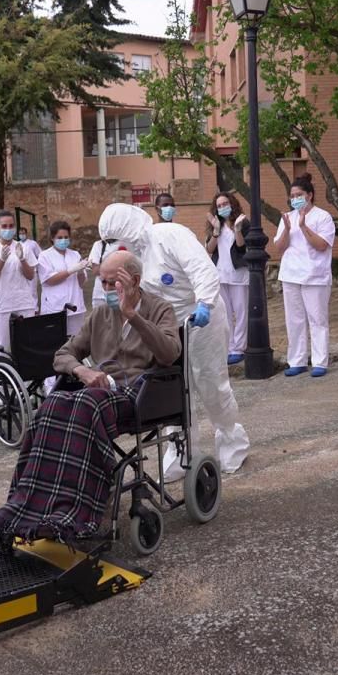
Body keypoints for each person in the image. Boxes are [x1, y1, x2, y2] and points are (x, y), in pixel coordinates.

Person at [0, 251, 180, 542]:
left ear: (134, 281)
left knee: (84, 404)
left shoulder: (160, 309)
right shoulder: (101, 314)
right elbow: (63, 355)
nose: (106, 289)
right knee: (53, 405)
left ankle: (76, 512)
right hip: (97, 393)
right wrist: (82, 371)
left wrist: (133, 315)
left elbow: (170, 354)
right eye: (103, 283)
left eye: (113, 283)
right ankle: (29, 506)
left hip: (139, 395)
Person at [99, 203, 251, 476]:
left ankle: (231, 440)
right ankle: (180, 450)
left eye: (117, 237)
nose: (117, 244)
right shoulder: (130, 257)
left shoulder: (170, 235)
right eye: (111, 241)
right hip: (167, 328)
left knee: (210, 382)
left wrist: (204, 302)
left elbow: (202, 269)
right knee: (172, 389)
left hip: (202, 317)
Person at [275, 175, 336, 377]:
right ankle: (297, 361)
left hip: (315, 276)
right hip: (291, 275)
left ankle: (319, 361)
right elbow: (279, 248)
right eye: (292, 196)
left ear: (309, 195)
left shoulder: (323, 217)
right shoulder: (287, 218)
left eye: (299, 195)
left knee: (317, 320)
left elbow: (321, 245)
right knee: (294, 320)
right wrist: (288, 229)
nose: (295, 199)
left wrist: (303, 226)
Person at [0, 209, 39, 350]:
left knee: (26, 347)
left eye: (11, 226)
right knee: (1, 348)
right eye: (4, 226)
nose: (8, 229)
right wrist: (1, 260)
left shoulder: (23, 247)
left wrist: (22, 259)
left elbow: (30, 276)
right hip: (1, 305)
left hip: (23, 302)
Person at [204, 192, 249, 366]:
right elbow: (209, 248)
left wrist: (237, 230)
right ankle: (230, 347)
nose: (223, 207)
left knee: (241, 311)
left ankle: (239, 348)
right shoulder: (216, 225)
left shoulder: (242, 221)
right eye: (219, 205)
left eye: (225, 204)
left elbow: (241, 246)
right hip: (221, 275)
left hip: (238, 274)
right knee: (226, 314)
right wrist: (215, 232)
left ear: (232, 204)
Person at [38, 221, 89, 336]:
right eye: (59, 237)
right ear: (52, 238)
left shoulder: (75, 255)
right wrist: (71, 270)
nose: (63, 240)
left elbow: (81, 283)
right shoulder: (44, 256)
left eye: (66, 237)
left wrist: (80, 270)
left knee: (76, 342)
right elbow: (49, 280)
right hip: (55, 307)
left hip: (75, 306)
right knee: (56, 341)